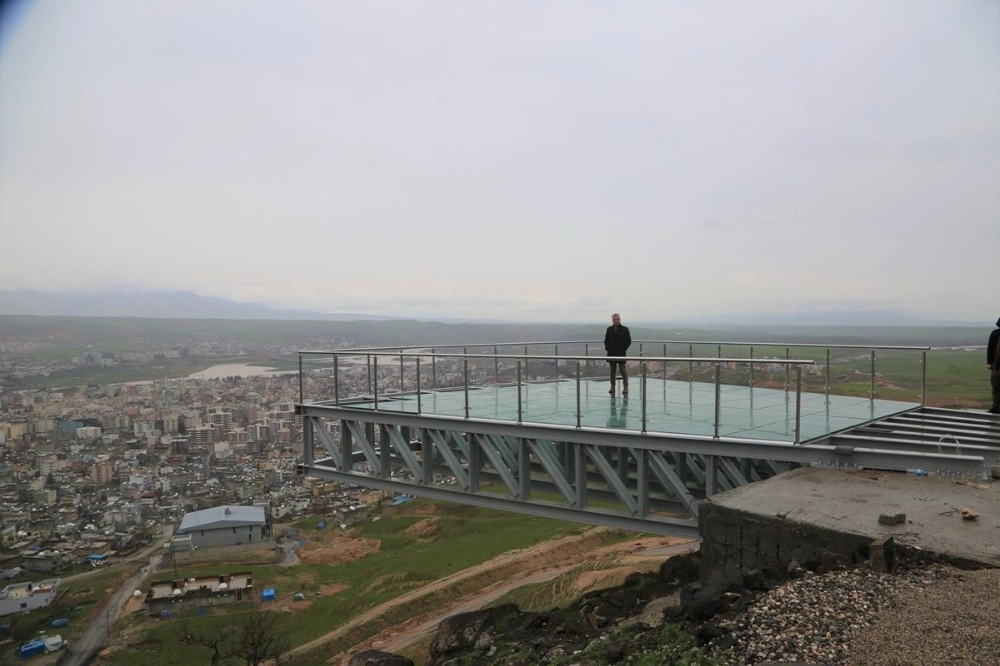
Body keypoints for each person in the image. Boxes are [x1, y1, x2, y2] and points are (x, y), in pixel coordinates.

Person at [604, 312, 632, 395]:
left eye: (617, 319)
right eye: (614, 319)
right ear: (612, 320)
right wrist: (608, 348)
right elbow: (606, 341)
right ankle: (612, 387)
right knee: (612, 371)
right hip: (611, 353)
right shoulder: (609, 329)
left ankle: (625, 387)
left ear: (620, 319)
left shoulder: (625, 329)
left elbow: (628, 341)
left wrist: (623, 349)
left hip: (621, 353)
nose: (616, 321)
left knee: (623, 370)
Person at [988, 316, 1000, 414]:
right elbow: (991, 348)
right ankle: (996, 407)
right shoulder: (995, 334)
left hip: (996, 367)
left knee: (996, 387)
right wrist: (989, 362)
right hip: (996, 366)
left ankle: (996, 407)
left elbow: (990, 348)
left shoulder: (995, 333)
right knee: (996, 387)